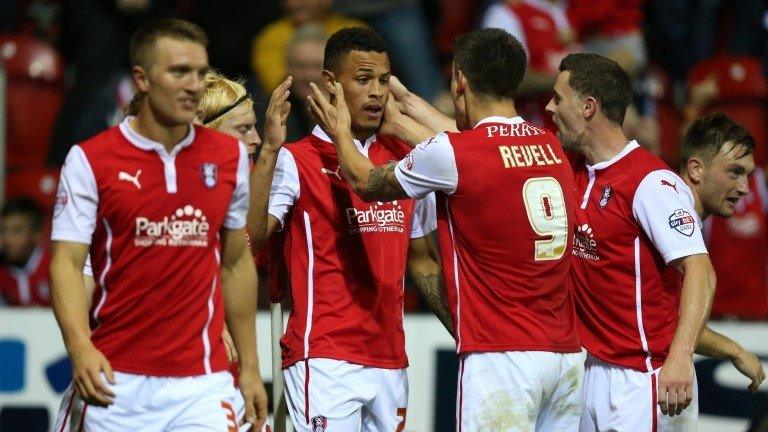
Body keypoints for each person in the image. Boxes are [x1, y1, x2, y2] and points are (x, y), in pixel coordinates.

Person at [308, 27, 583, 431]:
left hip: (502, 357)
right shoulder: (549, 146)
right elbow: (468, 147)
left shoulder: (458, 153)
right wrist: (403, 108)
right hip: (564, 359)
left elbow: (367, 183)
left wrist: (338, 129)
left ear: (460, 82)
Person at [50, 19, 268, 431]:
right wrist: (79, 347)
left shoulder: (228, 158)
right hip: (118, 379)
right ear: (142, 78)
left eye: (201, 73)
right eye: (179, 71)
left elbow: (237, 264)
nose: (193, 84)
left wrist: (252, 367)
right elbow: (68, 263)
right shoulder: (91, 159)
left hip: (202, 383)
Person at [248, 27, 449, 431]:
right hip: (324, 357)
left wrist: (465, 331)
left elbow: (424, 262)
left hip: (391, 359)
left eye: (383, 80)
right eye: (363, 79)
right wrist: (268, 151)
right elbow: (251, 239)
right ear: (330, 84)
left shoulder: (406, 164)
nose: (376, 92)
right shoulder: (296, 161)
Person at [544, 52, 716, 431]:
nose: (548, 107)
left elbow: (700, 270)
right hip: (592, 373)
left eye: (558, 98)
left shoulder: (650, 182)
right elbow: (486, 146)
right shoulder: (572, 168)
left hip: (647, 379)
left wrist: (680, 358)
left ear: (588, 107)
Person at [0, 197, 51, 307]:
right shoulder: (2, 273)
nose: (8, 239)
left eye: (16, 231)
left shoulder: (54, 268)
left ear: (36, 234)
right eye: (3, 230)